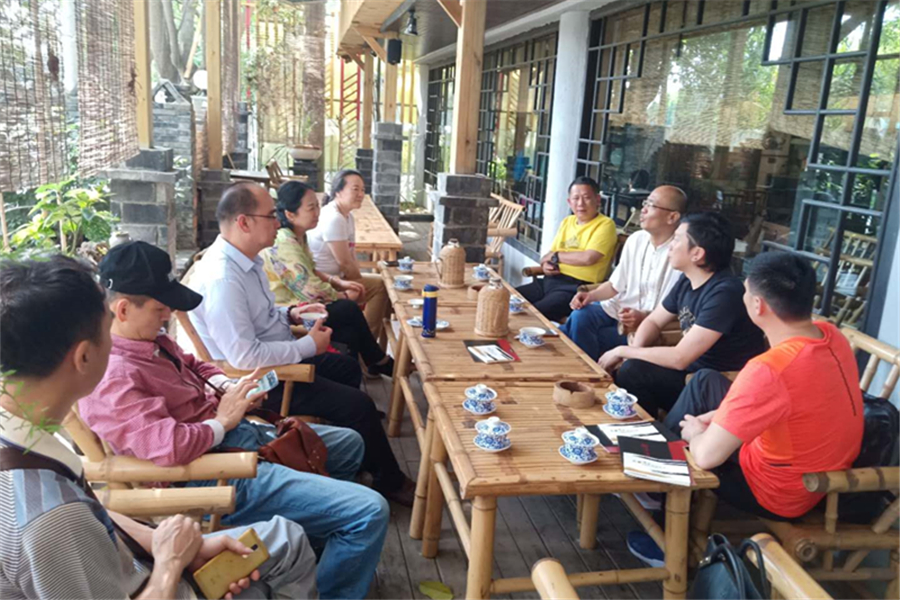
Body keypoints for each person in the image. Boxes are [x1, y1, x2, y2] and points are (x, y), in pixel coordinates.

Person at [77, 241, 390, 599]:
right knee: (369, 511)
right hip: (212, 471)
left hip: (237, 436)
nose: (167, 316)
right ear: (122, 309)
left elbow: (195, 364)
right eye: (160, 308)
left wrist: (229, 387)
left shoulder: (151, 340)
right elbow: (169, 446)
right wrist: (223, 421)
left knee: (349, 444)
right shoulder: (113, 376)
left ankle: (324, 543)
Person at [0, 255, 317, 600]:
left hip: (141, 561)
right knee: (287, 545)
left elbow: (93, 513)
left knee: (285, 539)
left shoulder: (25, 443)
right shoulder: (50, 519)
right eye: (106, 329)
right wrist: (171, 563)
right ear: (84, 357)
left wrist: (161, 543)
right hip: (159, 581)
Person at [626, 251, 864, 567]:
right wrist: (717, 419)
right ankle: (655, 484)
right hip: (816, 470)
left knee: (690, 440)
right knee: (704, 382)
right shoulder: (830, 336)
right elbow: (786, 400)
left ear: (758, 305)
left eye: (746, 292)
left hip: (778, 492)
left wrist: (697, 432)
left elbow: (706, 457)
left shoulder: (770, 369)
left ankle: (666, 534)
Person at [188, 182, 415, 506]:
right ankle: (388, 480)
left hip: (277, 356)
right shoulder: (223, 278)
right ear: (244, 222)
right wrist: (308, 346)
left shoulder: (245, 260)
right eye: (271, 215)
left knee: (347, 367)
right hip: (261, 383)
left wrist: (291, 312)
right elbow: (244, 356)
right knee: (360, 405)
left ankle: (348, 454)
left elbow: (264, 316)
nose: (278, 221)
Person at [598, 211, 766, 417]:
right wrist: (633, 351)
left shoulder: (725, 293)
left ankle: (661, 432)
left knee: (632, 368)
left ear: (697, 254)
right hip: (690, 375)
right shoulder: (687, 280)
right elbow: (653, 321)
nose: (670, 245)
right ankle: (645, 426)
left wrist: (623, 351)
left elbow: (680, 358)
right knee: (631, 370)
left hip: (715, 388)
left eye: (676, 239)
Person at [262, 180, 394, 378]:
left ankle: (366, 364)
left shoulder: (298, 234)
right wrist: (343, 295)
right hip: (290, 309)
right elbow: (309, 289)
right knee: (348, 308)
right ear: (290, 214)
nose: (317, 213)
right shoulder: (284, 242)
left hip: (304, 301)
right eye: (311, 208)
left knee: (349, 330)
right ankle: (376, 359)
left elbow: (311, 270)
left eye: (317, 206)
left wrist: (337, 282)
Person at [561, 186, 686, 361]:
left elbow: (678, 309)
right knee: (580, 315)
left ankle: (585, 367)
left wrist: (644, 316)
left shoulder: (681, 253)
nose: (643, 210)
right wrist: (590, 296)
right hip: (617, 311)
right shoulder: (636, 239)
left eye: (651, 205)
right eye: (645, 203)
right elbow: (615, 286)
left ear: (672, 217)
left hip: (650, 327)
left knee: (577, 333)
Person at [515, 176, 618, 321]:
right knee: (508, 298)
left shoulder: (605, 225)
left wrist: (556, 256)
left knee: (532, 314)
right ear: (569, 202)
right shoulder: (568, 221)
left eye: (586, 198)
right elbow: (548, 255)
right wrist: (545, 265)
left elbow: (588, 258)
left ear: (597, 200)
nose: (580, 203)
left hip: (575, 288)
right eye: (576, 198)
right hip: (549, 281)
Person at [307, 169, 390, 340]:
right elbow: (344, 262)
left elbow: (351, 256)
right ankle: (368, 340)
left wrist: (357, 280)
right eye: (355, 189)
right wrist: (358, 284)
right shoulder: (333, 218)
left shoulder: (347, 216)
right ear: (338, 191)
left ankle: (369, 340)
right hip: (325, 281)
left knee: (383, 284)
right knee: (380, 286)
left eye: (363, 190)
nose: (361, 194)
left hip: (338, 277)